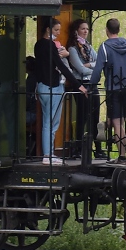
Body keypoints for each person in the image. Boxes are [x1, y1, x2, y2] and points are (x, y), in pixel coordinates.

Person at [89, 18, 126, 164]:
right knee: (121, 120)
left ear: (107, 30)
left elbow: (97, 70)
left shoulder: (105, 47)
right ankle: (106, 124)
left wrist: (91, 86)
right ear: (119, 29)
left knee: (117, 123)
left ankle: (122, 156)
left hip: (114, 88)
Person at [33, 22, 86, 165]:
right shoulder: (50, 45)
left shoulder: (38, 45)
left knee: (46, 122)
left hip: (42, 87)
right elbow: (61, 66)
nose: (58, 33)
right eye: (56, 30)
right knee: (52, 123)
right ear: (48, 29)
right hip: (53, 87)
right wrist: (78, 85)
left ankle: (47, 154)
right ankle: (48, 155)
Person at [67, 18, 97, 149]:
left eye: (87, 29)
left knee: (95, 115)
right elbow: (79, 69)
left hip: (92, 83)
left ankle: (97, 147)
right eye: (83, 29)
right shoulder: (72, 49)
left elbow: (100, 61)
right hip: (80, 83)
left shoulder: (88, 46)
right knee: (82, 115)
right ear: (76, 31)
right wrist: (93, 70)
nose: (85, 31)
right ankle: (79, 146)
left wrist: (90, 65)